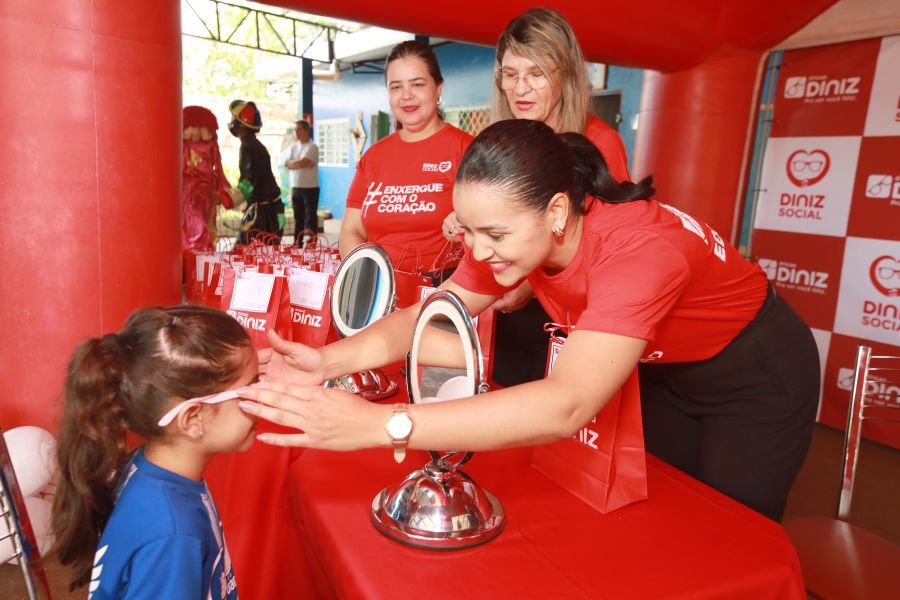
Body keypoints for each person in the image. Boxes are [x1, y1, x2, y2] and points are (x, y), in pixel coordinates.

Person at [240, 119, 820, 522]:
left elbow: (566, 404)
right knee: (661, 514)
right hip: (664, 368)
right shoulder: (517, 231)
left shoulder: (640, 252)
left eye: (493, 235)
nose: (479, 250)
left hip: (752, 374)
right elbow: (432, 313)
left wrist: (381, 425)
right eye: (468, 231)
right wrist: (327, 361)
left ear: (559, 211)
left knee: (724, 527)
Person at [444, 7, 632, 386]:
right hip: (501, 305)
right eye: (510, 75)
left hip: (569, 322)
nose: (520, 88)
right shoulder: (503, 142)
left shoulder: (599, 143)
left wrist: (524, 286)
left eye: (536, 75)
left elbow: (611, 250)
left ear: (565, 76)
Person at [49, 305, 260, 598]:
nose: (265, 398)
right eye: (250, 389)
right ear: (193, 418)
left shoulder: (149, 470)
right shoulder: (173, 535)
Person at [339, 40, 472, 280]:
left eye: (418, 84)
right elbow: (351, 229)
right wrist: (362, 278)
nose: (406, 96)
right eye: (396, 87)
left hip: (445, 289)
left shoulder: (468, 150)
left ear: (438, 88)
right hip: (379, 289)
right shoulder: (373, 157)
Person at [228, 99, 284, 244]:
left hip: (262, 214)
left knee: (246, 255)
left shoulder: (248, 146)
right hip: (272, 209)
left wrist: (231, 199)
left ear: (239, 124)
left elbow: (249, 180)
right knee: (268, 253)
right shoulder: (255, 145)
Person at [182, 106, 232, 253]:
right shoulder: (181, 146)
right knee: (189, 224)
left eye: (201, 128)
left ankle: (202, 256)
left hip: (205, 193)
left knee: (204, 225)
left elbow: (219, 171)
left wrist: (223, 191)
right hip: (186, 192)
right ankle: (191, 255)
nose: (196, 132)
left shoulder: (211, 147)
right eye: (192, 127)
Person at [285, 119, 320, 245]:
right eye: (295, 130)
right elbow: (287, 163)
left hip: (310, 187)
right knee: (297, 218)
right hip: (296, 186)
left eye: (299, 129)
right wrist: (298, 164)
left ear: (306, 130)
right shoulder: (293, 147)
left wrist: (296, 163)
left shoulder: (312, 147)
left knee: (310, 217)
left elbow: (301, 163)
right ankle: (297, 242)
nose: (296, 132)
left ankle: (311, 242)